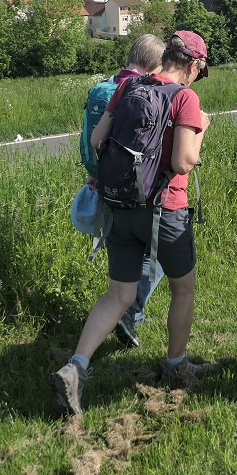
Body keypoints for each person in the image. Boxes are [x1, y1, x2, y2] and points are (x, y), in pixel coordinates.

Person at [52, 31, 212, 416]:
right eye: (199, 71)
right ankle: (176, 365)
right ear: (192, 65)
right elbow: (183, 161)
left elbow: (96, 140)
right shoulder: (185, 98)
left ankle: (76, 367)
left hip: (119, 208)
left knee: (117, 295)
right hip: (166, 210)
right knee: (183, 290)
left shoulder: (128, 88)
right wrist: (202, 127)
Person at [80, 34, 167, 348]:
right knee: (155, 255)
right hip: (138, 191)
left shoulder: (102, 87)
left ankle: (120, 312)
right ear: (154, 64)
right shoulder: (142, 90)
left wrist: (96, 175)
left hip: (104, 186)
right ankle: (130, 314)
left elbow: (90, 139)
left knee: (123, 258)